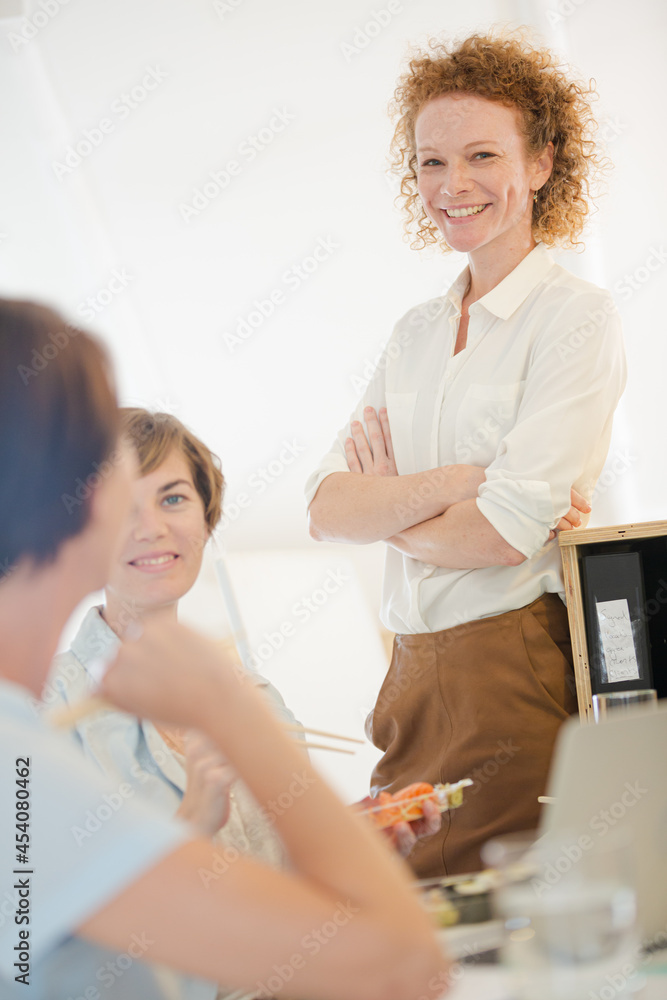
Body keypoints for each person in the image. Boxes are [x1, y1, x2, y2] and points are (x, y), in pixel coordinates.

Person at [0, 299, 450, 999]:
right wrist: (228, 711)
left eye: (174, 498)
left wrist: (350, 840)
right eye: (105, 461)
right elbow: (402, 964)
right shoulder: (24, 759)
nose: (148, 520)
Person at [306, 31, 627, 878]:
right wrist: (452, 485)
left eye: (482, 155)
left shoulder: (574, 320)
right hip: (406, 677)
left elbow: (497, 536)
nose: (452, 186)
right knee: (415, 905)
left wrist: (392, 506)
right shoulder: (413, 332)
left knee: (493, 915)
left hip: (505, 665)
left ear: (542, 163)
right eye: (429, 162)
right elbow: (324, 508)